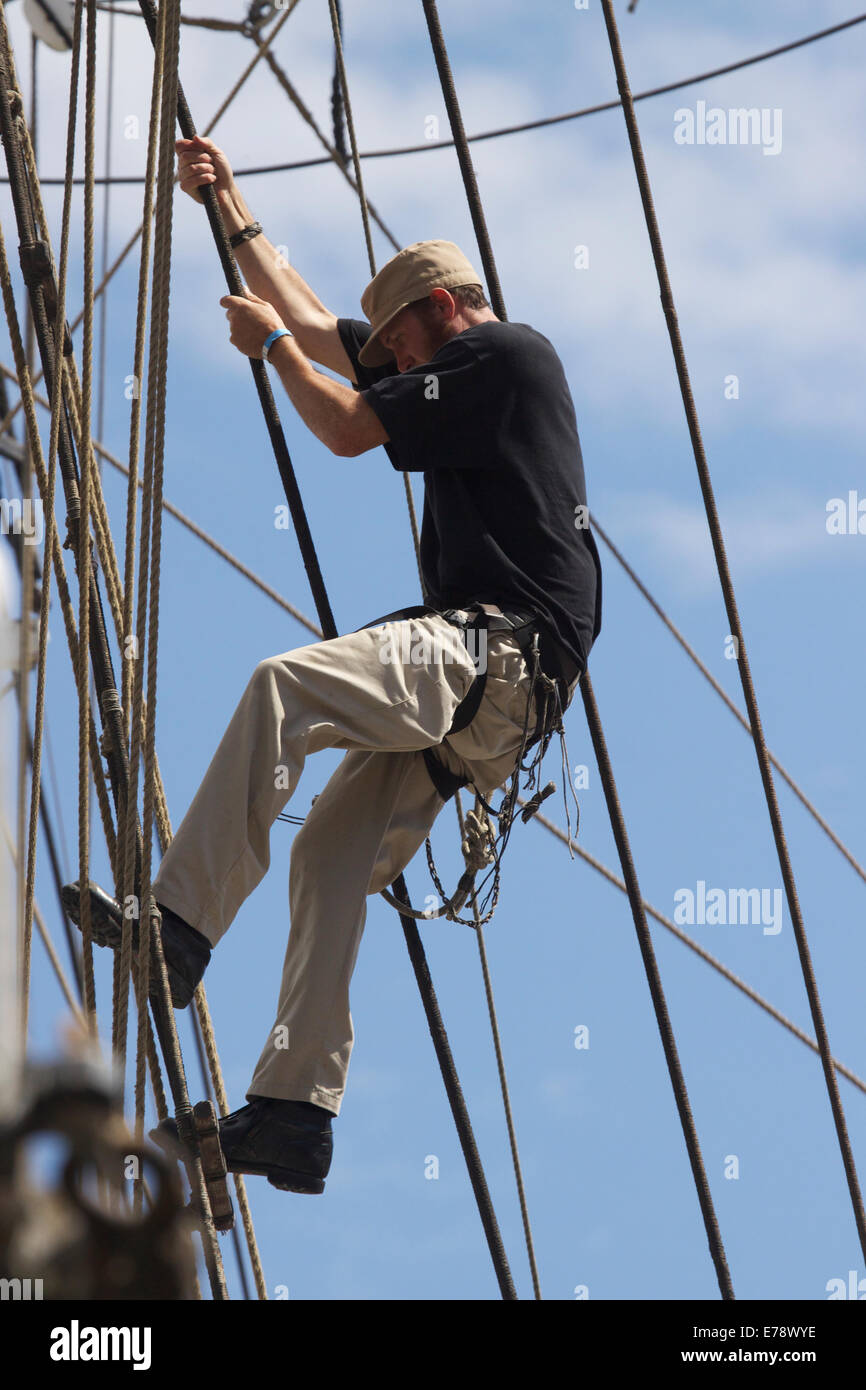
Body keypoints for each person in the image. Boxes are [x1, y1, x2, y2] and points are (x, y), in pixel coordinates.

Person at [148, 135, 602, 1195]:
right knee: (329, 859)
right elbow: (314, 319)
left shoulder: (500, 354)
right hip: (496, 698)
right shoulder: (445, 362)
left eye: (400, 346)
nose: (395, 367)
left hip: (491, 649)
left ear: (443, 309)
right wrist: (228, 203)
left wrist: (269, 355)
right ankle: (292, 1115)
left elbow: (346, 425)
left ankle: (177, 926)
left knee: (283, 684)